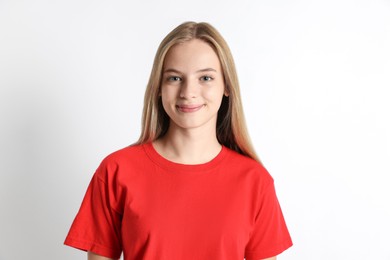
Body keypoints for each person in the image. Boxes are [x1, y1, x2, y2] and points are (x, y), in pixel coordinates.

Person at [64, 21, 293, 260]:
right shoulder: (116, 171)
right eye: (174, 78)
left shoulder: (255, 181)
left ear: (226, 86)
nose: (188, 92)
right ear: (159, 87)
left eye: (205, 78)